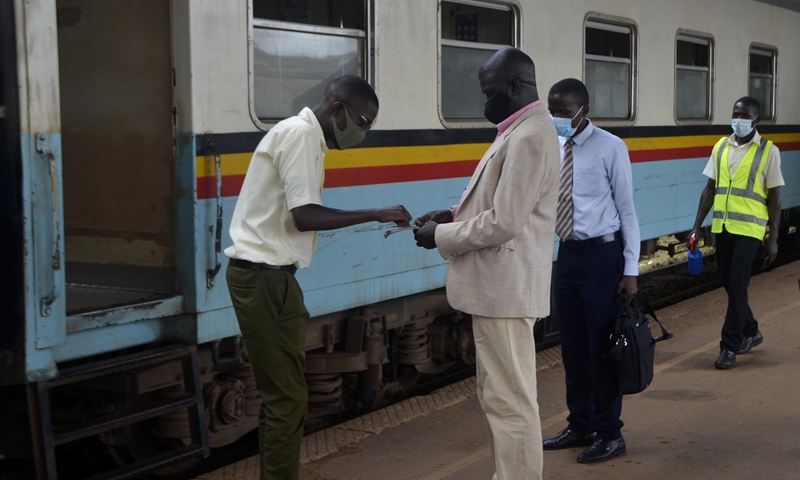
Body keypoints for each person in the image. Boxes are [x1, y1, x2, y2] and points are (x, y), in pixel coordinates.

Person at [224, 75, 411, 480]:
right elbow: (304, 215)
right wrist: (377, 212)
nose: (364, 131)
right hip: (263, 280)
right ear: (338, 110)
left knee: (287, 396)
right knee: (286, 399)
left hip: (275, 280)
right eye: (364, 121)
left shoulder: (306, 137)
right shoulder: (300, 137)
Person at [414, 47, 559, 480]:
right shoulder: (518, 130)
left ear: (515, 87)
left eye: (490, 92)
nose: (485, 102)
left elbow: (505, 221)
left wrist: (440, 237)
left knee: (510, 403)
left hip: (506, 292)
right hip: (502, 291)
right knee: (500, 397)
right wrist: (452, 215)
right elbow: (498, 204)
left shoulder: (530, 135)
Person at [542, 78, 640, 464]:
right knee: (572, 347)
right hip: (568, 255)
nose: (557, 118)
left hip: (603, 256)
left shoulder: (611, 147)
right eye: (552, 110)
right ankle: (580, 424)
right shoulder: (553, 145)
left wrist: (630, 269)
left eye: (563, 112)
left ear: (583, 110)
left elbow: (627, 210)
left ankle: (609, 433)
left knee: (602, 348)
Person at [689, 96, 784, 369]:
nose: (738, 120)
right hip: (723, 228)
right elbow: (710, 189)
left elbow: (775, 197)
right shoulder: (721, 146)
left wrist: (773, 238)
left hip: (751, 230)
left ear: (756, 120)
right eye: (735, 114)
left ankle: (729, 346)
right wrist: (696, 225)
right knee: (732, 287)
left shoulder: (769, 151)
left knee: (738, 285)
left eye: (744, 115)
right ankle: (752, 330)